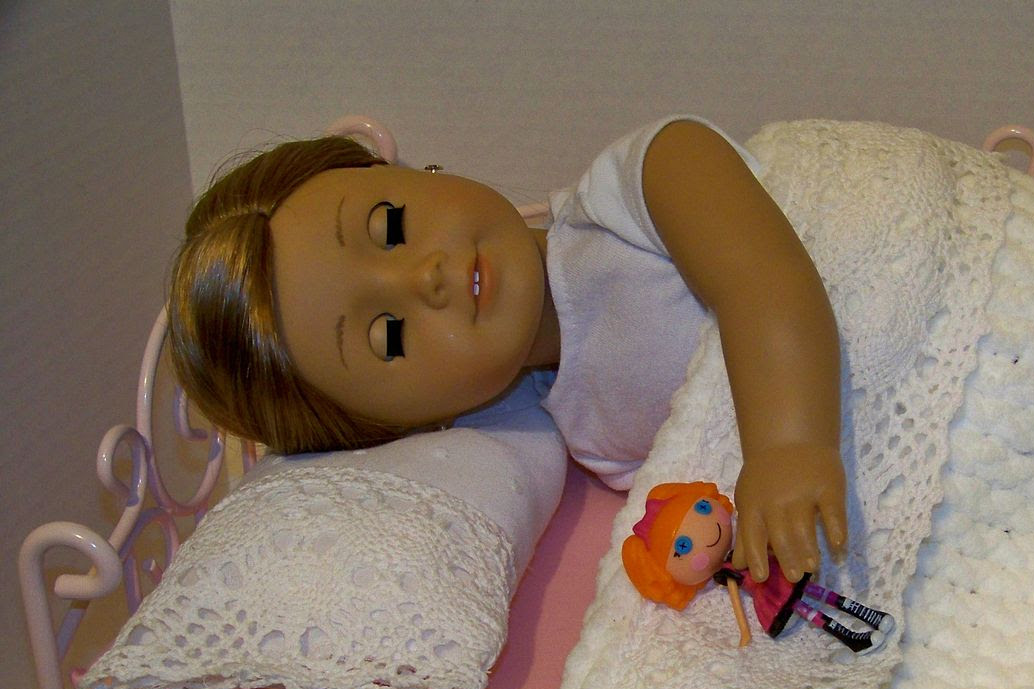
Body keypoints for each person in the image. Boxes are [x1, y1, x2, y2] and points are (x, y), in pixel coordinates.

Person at [167, 116, 845, 586]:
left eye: (390, 225)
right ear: (410, 425)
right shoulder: (593, 440)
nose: (424, 277)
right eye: (388, 335)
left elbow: (763, 282)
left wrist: (788, 446)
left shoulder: (640, 187)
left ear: (412, 172)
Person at [621, 481, 892, 652]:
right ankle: (850, 637)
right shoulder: (728, 573)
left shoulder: (745, 533)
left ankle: (870, 615)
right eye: (684, 546)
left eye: (702, 508)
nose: (709, 532)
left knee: (821, 593)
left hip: (782, 567)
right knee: (808, 608)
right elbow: (737, 603)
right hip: (771, 592)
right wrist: (743, 632)